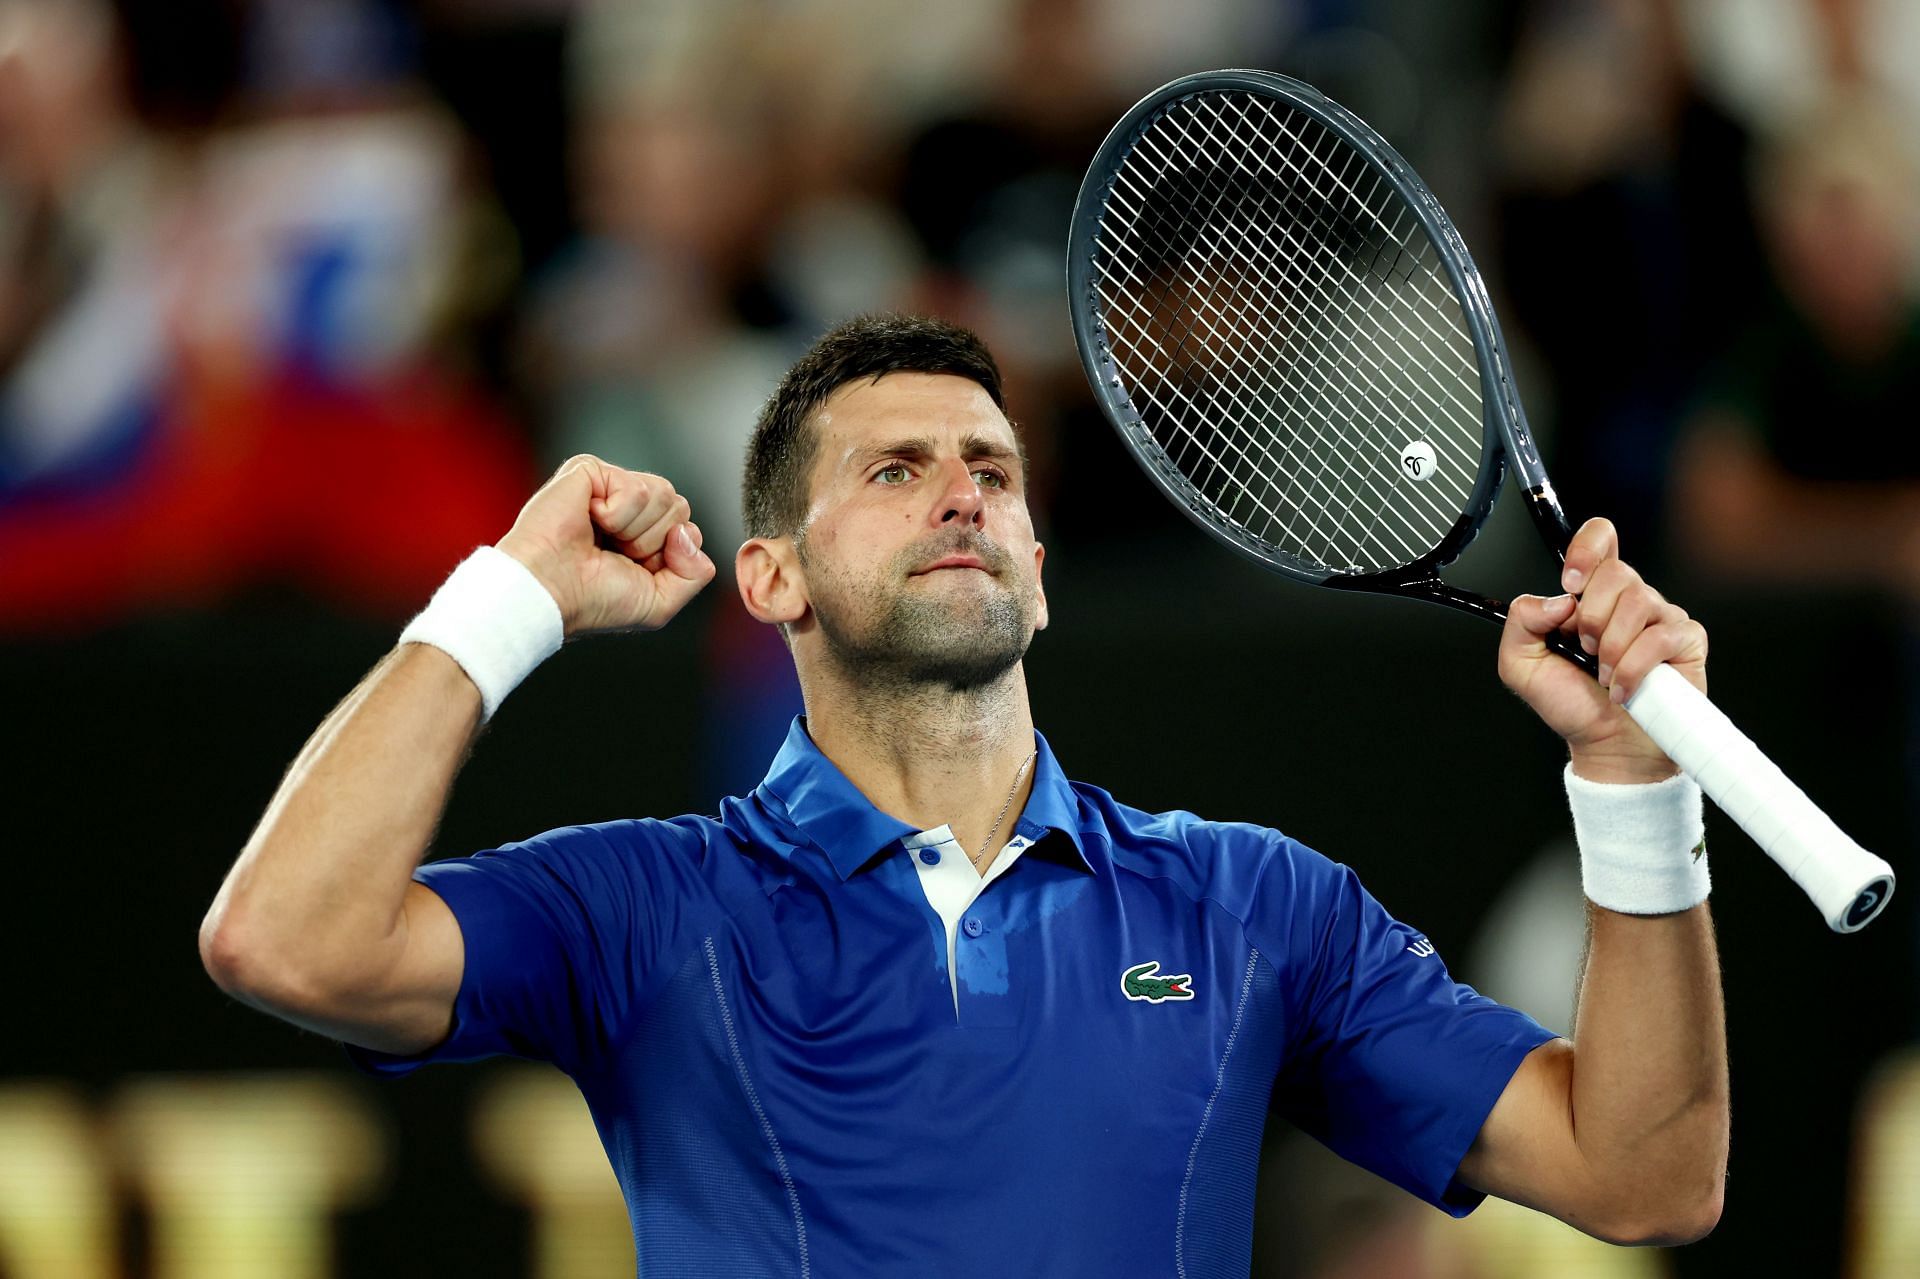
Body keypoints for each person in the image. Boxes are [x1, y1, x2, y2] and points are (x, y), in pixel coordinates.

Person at [200, 314, 1727, 1275]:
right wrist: (511, 597)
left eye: (993, 472)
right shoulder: (652, 904)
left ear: (1040, 582)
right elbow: (288, 940)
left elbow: (1645, 1172)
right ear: (769, 578)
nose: (963, 495)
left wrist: (1631, 782)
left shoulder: (1253, 902)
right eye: (894, 470)